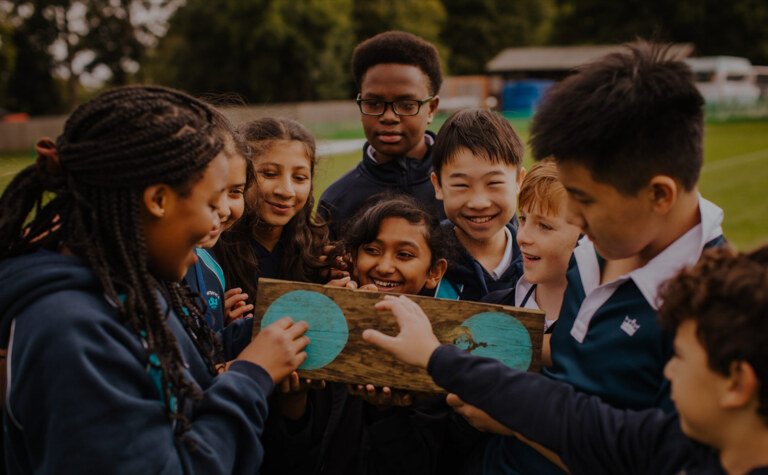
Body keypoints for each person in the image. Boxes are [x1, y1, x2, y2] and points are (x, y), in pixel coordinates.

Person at [0, 86, 309, 474]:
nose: (218, 220)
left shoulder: (129, 283)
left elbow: (180, 364)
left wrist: (257, 335)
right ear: (158, 200)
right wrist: (252, 376)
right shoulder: (70, 330)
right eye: (211, 202)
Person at [363, 244, 768, 474]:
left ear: (737, 382)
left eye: (680, 356)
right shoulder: (674, 446)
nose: (669, 369)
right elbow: (564, 414)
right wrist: (437, 356)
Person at [262, 195, 482, 474]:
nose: (385, 266)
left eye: (405, 255)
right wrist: (294, 401)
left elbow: (427, 461)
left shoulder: (442, 352)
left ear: (435, 272)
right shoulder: (324, 329)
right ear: (353, 258)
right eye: (372, 250)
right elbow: (292, 455)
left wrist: (387, 413)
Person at [318, 30, 444, 240]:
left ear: (431, 108)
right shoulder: (336, 201)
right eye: (374, 103)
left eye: (406, 104)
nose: (388, 117)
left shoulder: (461, 189)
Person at [214, 117, 331, 302]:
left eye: (299, 178)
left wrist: (333, 297)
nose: (286, 191)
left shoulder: (320, 254)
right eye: (269, 174)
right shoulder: (212, 248)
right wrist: (218, 319)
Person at [483, 159, 581, 365]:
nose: (522, 237)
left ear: (588, 234)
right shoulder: (491, 309)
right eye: (523, 219)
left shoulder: (604, 323)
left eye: (544, 226)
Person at [430, 108, 525, 302]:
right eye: (461, 185)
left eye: (494, 183)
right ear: (438, 185)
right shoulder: (422, 262)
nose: (479, 203)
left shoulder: (541, 262)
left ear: (518, 181)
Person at [184, 115, 252, 333]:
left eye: (235, 192)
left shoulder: (210, 264)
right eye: (214, 191)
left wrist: (224, 329)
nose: (223, 209)